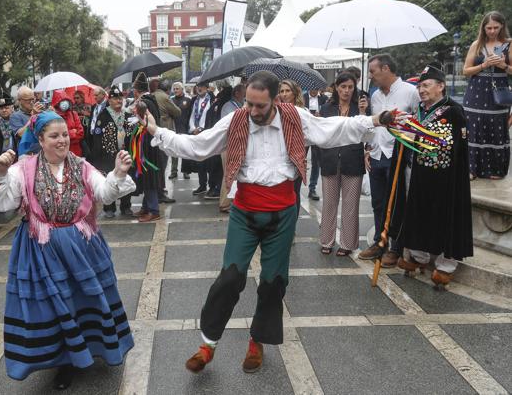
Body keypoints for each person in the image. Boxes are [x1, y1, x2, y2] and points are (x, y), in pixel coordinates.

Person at [145, 71, 395, 374]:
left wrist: (376, 119)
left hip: (282, 213)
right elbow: (199, 146)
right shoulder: (237, 119)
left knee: (273, 283)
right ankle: (207, 345)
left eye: (259, 106)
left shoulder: (295, 117)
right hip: (245, 212)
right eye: (249, 103)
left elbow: (333, 129)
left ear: (276, 100)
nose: (252, 111)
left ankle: (257, 341)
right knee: (230, 279)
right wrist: (158, 131)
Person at [0, 112, 136, 389]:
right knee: (53, 306)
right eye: (54, 136)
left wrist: (119, 174)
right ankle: (64, 361)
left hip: (81, 246)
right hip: (40, 248)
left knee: (83, 300)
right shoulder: (23, 169)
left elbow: (104, 192)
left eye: (65, 134)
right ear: (40, 139)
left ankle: (90, 348)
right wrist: (0, 171)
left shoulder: (82, 166)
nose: (62, 140)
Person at [390, 65, 473, 287]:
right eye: (419, 86)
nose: (421, 90)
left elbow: (446, 144)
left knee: (446, 218)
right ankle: (418, 257)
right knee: (417, 213)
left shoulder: (453, 111)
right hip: (419, 175)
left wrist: (415, 137)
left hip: (445, 178)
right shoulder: (420, 110)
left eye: (426, 85)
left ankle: (446, 266)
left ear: (441, 86)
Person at [359, 54, 420, 268]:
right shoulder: (375, 96)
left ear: (386, 68)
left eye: (373, 71)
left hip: (399, 155)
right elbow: (374, 126)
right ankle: (379, 242)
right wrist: (368, 148)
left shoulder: (411, 92)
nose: (371, 76)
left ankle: (396, 247)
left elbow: (421, 123)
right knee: (378, 203)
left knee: (397, 203)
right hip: (377, 155)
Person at [317, 72, 369, 256]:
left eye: (350, 87)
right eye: (343, 87)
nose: (346, 91)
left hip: (353, 159)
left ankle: (347, 244)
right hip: (330, 159)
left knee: (350, 205)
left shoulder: (360, 107)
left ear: (355, 89)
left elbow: (367, 135)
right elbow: (321, 134)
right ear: (336, 87)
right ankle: (326, 240)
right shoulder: (325, 108)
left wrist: (363, 114)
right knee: (329, 203)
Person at [462, 11, 512, 179]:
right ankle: (471, 169)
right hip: (475, 91)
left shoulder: (509, 44)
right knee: (473, 128)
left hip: (498, 92)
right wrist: (484, 65)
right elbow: (466, 71)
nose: (492, 31)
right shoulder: (476, 44)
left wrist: (504, 65)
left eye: (495, 27)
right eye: (489, 28)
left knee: (496, 128)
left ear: (502, 26)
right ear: (483, 28)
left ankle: (496, 169)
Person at [89, 86, 133, 217]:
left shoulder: (128, 115)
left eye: (120, 98)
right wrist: (97, 159)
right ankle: (109, 207)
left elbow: (132, 136)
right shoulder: (103, 115)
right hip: (108, 155)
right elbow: (97, 137)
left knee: (125, 178)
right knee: (110, 180)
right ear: (110, 100)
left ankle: (126, 206)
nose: (118, 101)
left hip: (124, 153)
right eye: (115, 98)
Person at [129, 73, 163, 222]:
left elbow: (142, 125)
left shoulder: (143, 103)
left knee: (149, 176)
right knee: (146, 176)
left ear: (137, 90)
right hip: (150, 143)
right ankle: (147, 206)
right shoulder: (150, 100)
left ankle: (154, 210)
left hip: (147, 146)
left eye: (134, 89)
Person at [278, 80, 307, 212]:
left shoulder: (303, 112)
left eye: (287, 91)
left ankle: (292, 225)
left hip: (297, 158)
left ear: (294, 93)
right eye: (281, 91)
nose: (284, 94)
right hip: (279, 157)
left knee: (294, 191)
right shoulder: (276, 111)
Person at [188, 84, 222, 199]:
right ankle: (202, 185)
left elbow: (211, 117)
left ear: (207, 88)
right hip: (196, 133)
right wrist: (193, 129)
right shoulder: (194, 100)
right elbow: (191, 116)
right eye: (198, 86)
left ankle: (212, 186)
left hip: (207, 132)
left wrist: (202, 129)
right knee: (199, 160)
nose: (199, 88)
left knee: (210, 161)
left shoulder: (212, 99)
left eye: (202, 86)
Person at [152, 79, 180, 203]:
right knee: (162, 164)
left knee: (156, 165)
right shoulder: (164, 97)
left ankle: (158, 190)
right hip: (163, 134)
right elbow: (177, 112)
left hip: (153, 134)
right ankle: (160, 192)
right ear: (168, 89)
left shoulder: (152, 95)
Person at [219, 85, 246, 212]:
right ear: (236, 93)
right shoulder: (229, 107)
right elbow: (230, 126)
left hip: (236, 145)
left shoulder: (238, 105)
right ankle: (225, 204)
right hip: (229, 145)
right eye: (243, 93)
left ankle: (232, 201)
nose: (245, 95)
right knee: (229, 174)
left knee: (233, 175)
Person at [303, 89, 328, 201]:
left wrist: (320, 116)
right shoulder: (303, 97)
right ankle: (295, 188)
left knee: (316, 162)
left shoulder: (324, 99)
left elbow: (327, 115)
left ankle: (312, 189)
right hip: (305, 132)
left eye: (316, 87)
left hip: (317, 132)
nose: (313, 89)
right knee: (299, 160)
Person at [170, 82, 193, 179]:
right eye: (174, 89)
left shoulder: (188, 100)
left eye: (177, 88)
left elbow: (191, 114)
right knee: (174, 150)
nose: (175, 90)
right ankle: (173, 171)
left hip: (184, 129)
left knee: (184, 150)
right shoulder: (170, 100)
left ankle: (186, 171)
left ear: (182, 89)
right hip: (174, 129)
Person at [51, 90, 84, 157]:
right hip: (59, 153)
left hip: (75, 153)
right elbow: (54, 136)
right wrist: (72, 132)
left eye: (65, 100)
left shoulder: (73, 114)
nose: (64, 103)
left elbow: (81, 133)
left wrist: (64, 136)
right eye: (61, 101)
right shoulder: (53, 116)